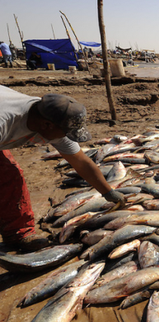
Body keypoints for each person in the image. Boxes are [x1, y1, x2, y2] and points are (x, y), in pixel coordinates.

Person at [0, 87, 126, 250]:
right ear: (46, 125)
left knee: (10, 175)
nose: (67, 137)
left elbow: (81, 162)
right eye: (66, 133)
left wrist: (108, 192)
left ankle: (19, 234)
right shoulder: (6, 121)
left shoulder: (49, 118)